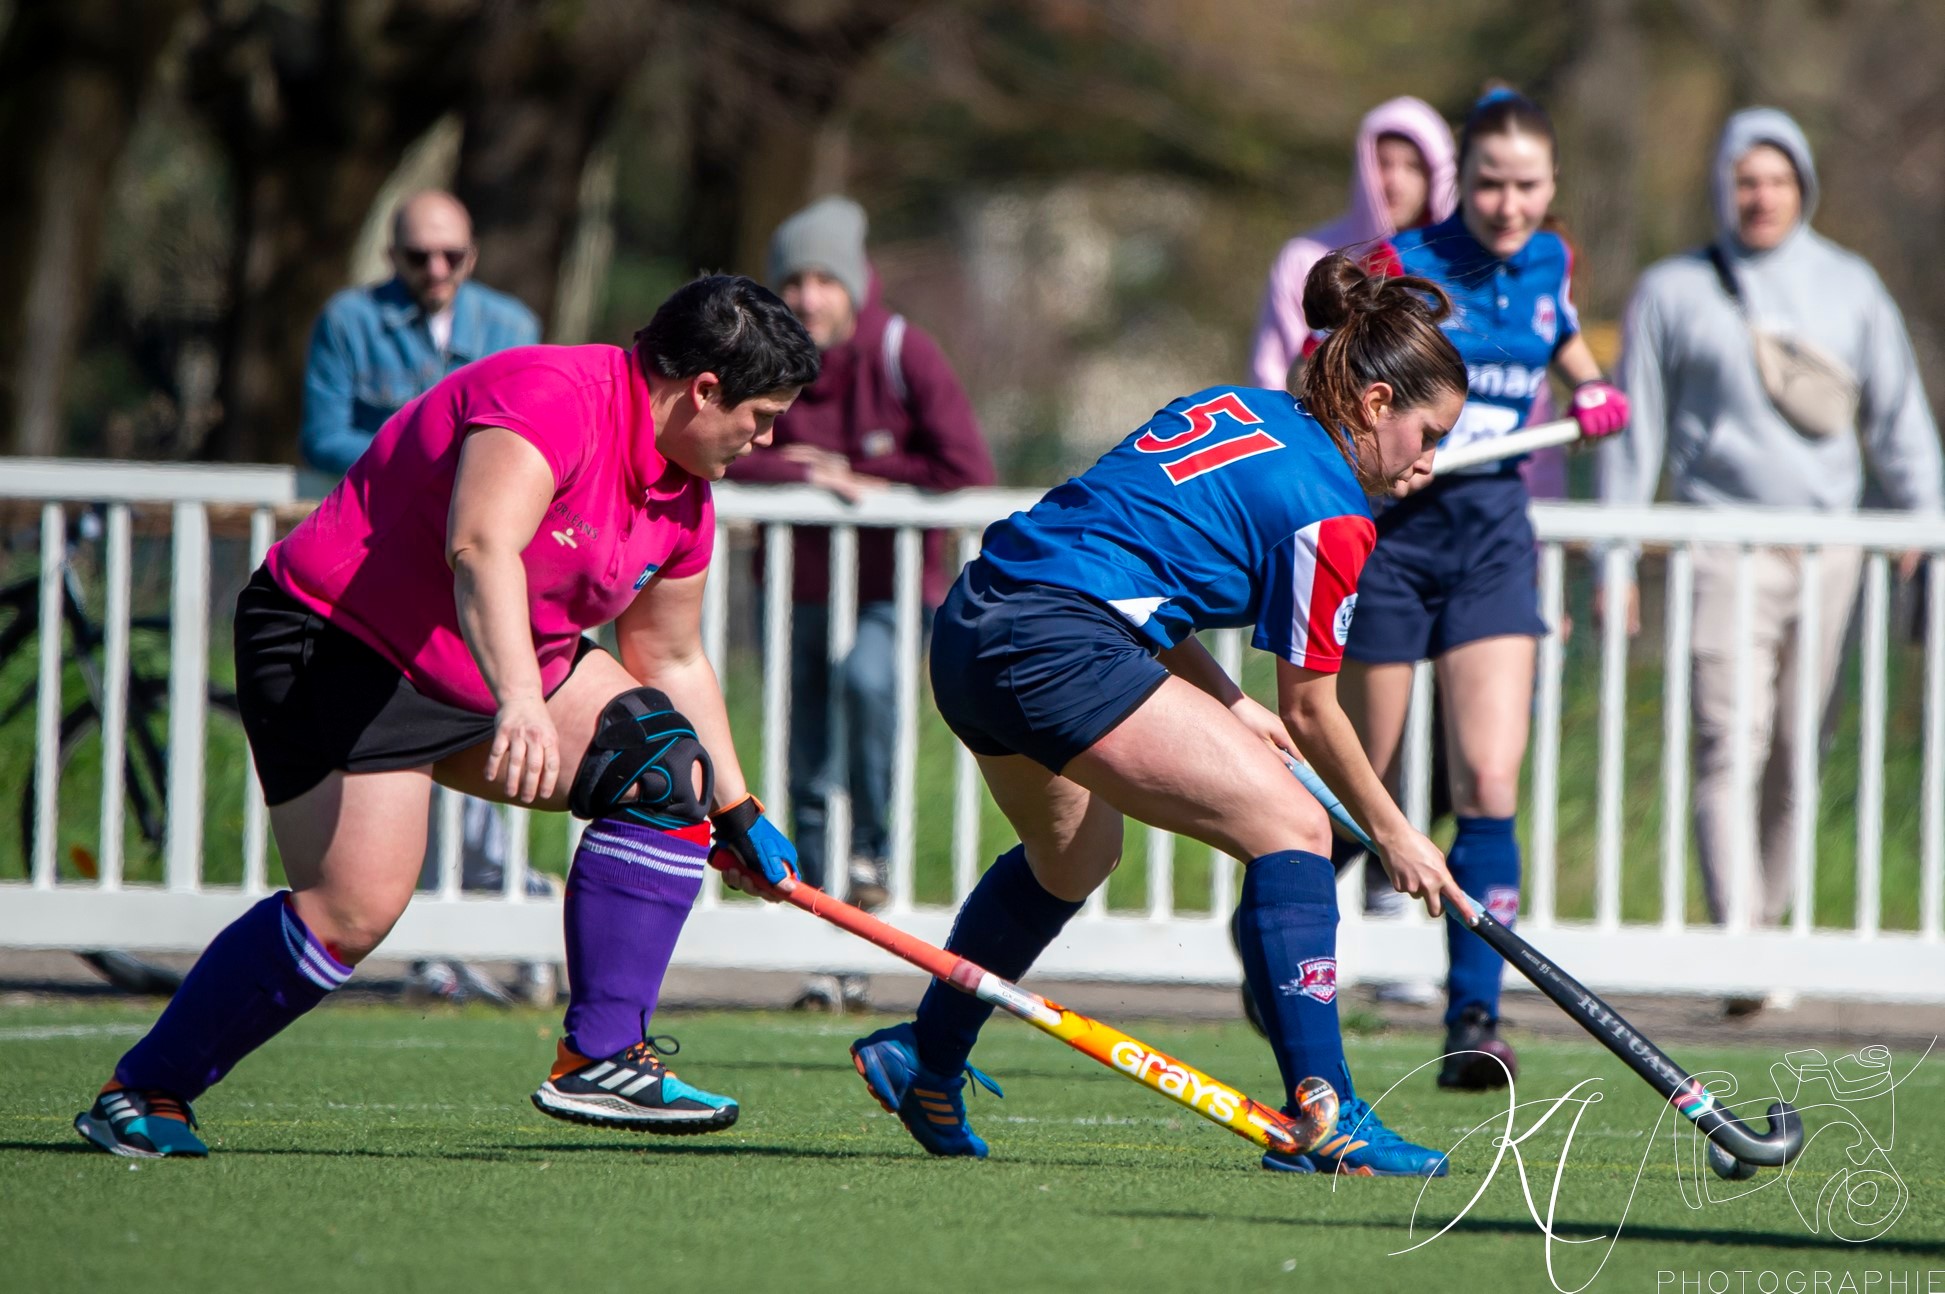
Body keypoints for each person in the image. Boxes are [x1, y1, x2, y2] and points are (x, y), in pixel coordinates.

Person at [73, 275, 817, 1158]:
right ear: (701, 391)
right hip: (341, 643)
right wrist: (520, 704)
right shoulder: (554, 397)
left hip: (495, 661)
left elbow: (673, 658)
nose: (765, 439)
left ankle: (602, 1057)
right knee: (350, 911)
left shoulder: (682, 491)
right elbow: (481, 545)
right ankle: (144, 1090)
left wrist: (736, 812)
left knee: (665, 769)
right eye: (762, 416)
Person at [837, 251, 1475, 1176]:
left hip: (976, 624)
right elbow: (1312, 710)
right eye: (1427, 434)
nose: (1429, 461)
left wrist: (1223, 701)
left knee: (1075, 855)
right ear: (1376, 404)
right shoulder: (1334, 515)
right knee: (1293, 825)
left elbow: (1132, 572)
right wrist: (1396, 835)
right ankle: (1325, 1113)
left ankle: (924, 1057)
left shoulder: (1232, 406)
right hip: (1055, 642)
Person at [1599, 108, 1943, 1009]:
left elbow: (1899, 417)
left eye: (1776, 180)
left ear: (1802, 186)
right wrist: (1615, 550)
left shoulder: (1849, 285)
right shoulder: (1675, 290)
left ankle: (1770, 934)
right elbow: (1636, 433)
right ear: (1723, 186)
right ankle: (1741, 950)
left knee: (1798, 745)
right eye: (1745, 180)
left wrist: (1922, 523)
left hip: (1830, 551)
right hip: (1719, 546)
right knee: (1728, 739)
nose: (1760, 196)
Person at [1333, 88, 1629, 1091]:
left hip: (1493, 536)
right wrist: (1376, 454)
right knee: (1358, 781)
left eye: (1529, 187)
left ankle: (1474, 1015)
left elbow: (1561, 338)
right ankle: (1273, 938)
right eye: (1493, 183)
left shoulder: (1552, 259)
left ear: (1551, 190)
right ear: (1466, 178)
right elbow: (1332, 376)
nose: (1509, 206)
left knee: (1487, 782)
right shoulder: (1405, 264)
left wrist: (1589, 386)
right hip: (1395, 534)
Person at [729, 196, 995, 1011]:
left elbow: (966, 467)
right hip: (792, 592)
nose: (808, 299)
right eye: (794, 282)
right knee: (801, 759)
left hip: (887, 591)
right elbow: (724, 449)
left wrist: (869, 479)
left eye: (823, 280)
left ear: (853, 282)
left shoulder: (898, 350)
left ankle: (873, 851)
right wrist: (805, 472)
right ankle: (819, 930)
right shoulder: (762, 352)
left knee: (869, 679)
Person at [300, 190, 547, 1006]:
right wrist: (435, 459)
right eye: (417, 257)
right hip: (382, 563)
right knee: (406, 745)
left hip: (481, 558)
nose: (435, 271)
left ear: (472, 255)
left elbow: (535, 441)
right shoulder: (348, 320)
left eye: (451, 256)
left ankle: (505, 906)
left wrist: (452, 474)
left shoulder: (508, 322)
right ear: (392, 257)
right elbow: (322, 432)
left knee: (490, 724)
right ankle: (439, 938)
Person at [1250, 96, 1456, 393]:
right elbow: (1270, 371)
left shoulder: (1460, 264)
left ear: (1437, 175)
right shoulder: (1305, 257)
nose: (1394, 181)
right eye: (1383, 163)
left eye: (1413, 167)